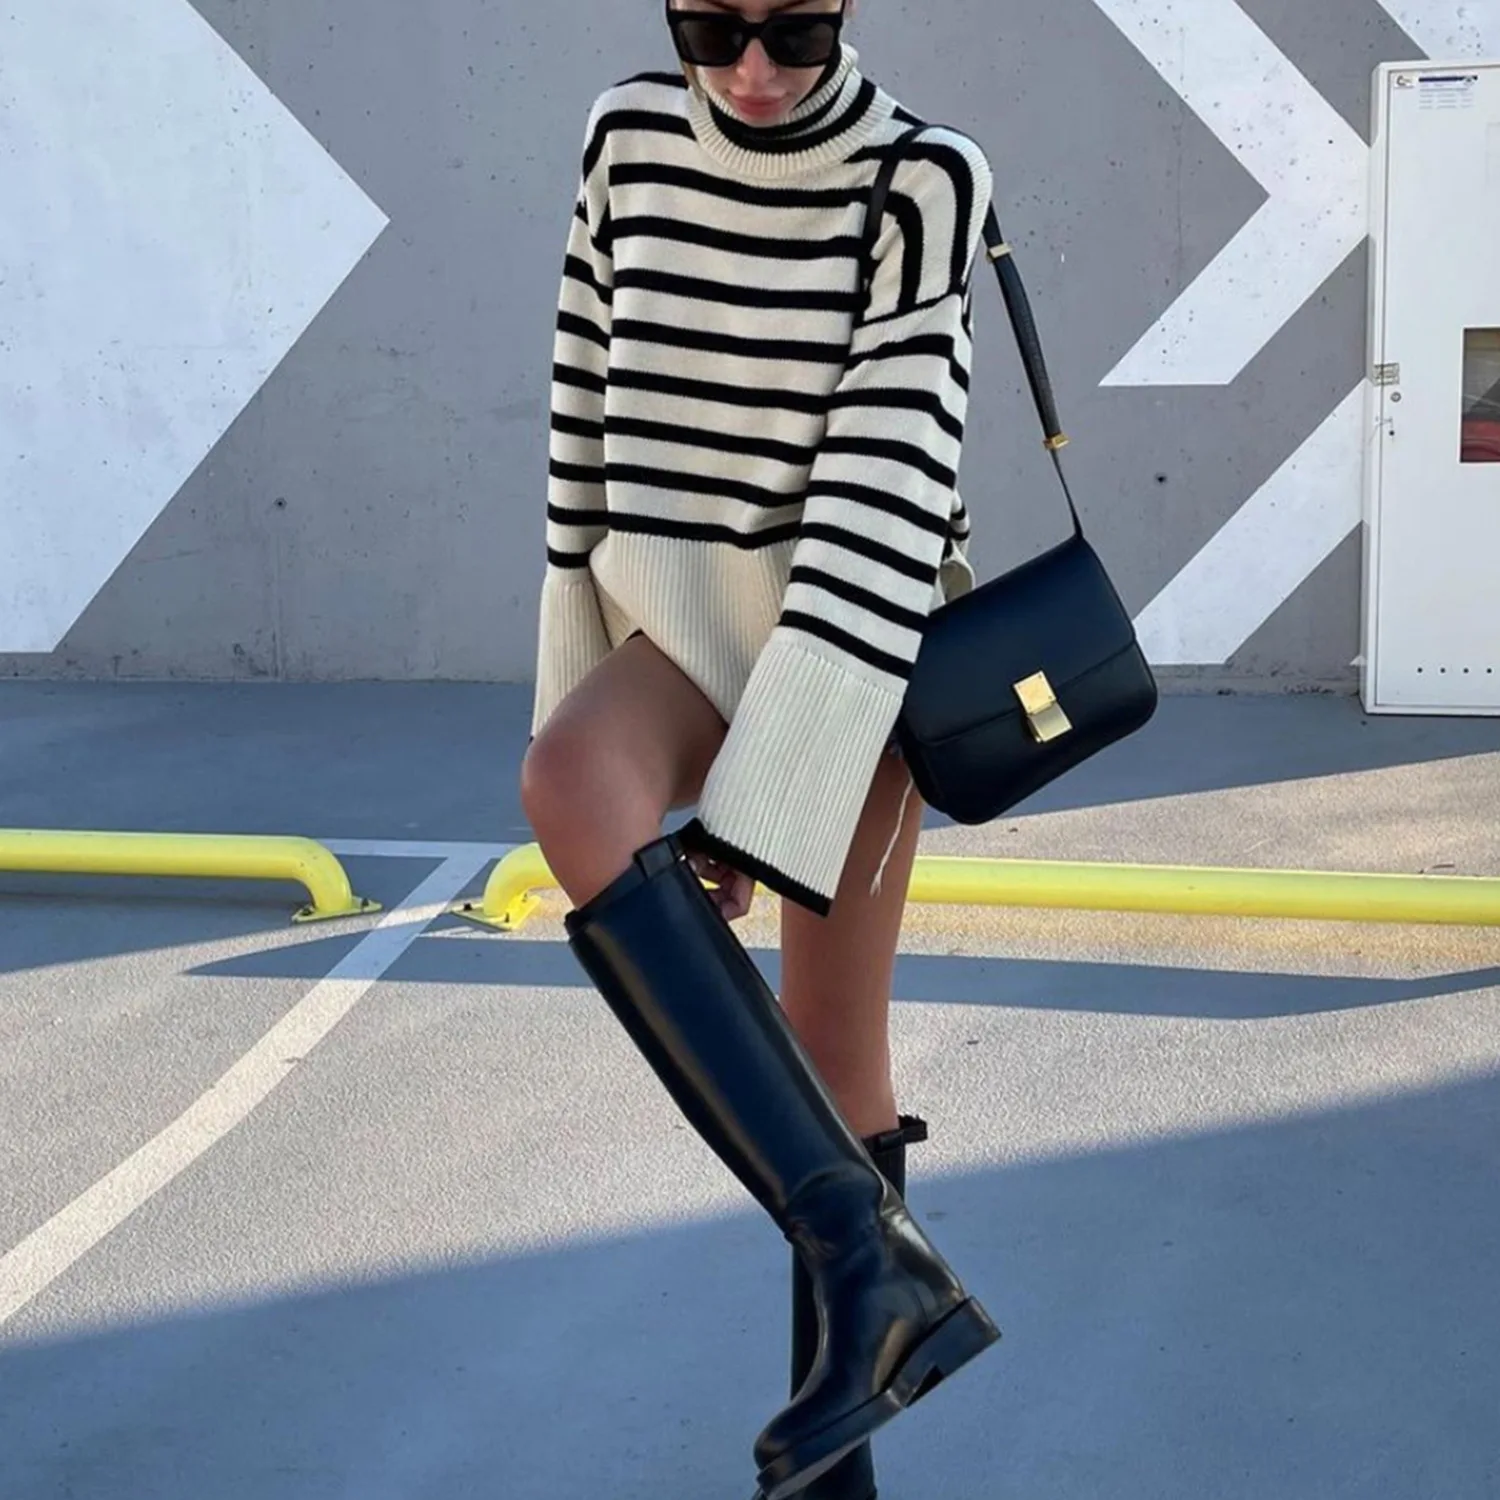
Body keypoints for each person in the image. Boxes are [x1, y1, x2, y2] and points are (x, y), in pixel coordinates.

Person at [520, 2, 1001, 1495]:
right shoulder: (625, 137)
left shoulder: (922, 177)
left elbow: (885, 497)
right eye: (711, 25)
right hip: (678, 626)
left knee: (836, 1057)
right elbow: (581, 425)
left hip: (853, 645)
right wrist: (580, 668)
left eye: (794, 29)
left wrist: (760, 803)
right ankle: (879, 1266)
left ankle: (837, 1459)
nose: (750, 70)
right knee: (568, 780)